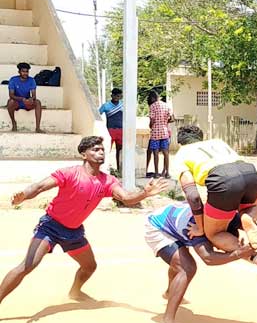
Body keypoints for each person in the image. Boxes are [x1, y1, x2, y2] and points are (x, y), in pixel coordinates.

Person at [0, 136, 168, 306]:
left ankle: (75, 292)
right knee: (27, 266)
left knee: (89, 266)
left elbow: (126, 198)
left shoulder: (108, 181)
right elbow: (39, 187)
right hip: (51, 226)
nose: (100, 152)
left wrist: (145, 193)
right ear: (84, 155)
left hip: (74, 232)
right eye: (95, 149)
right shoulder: (70, 173)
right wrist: (23, 196)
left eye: (102, 149)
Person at [145, 202, 257, 323]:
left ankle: (171, 292)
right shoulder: (197, 228)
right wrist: (239, 253)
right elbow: (208, 258)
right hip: (158, 227)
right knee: (187, 267)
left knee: (179, 261)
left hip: (174, 220)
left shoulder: (224, 218)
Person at [171, 124, 257, 284]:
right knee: (249, 210)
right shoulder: (217, 142)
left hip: (223, 180)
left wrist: (200, 227)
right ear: (200, 137)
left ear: (181, 141)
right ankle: (248, 218)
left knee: (214, 233)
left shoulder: (182, 154)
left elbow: (193, 196)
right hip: (250, 173)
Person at [6, 62, 43, 133]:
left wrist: (31, 99)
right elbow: (11, 95)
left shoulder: (32, 80)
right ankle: (14, 123)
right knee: (10, 102)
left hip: (27, 103)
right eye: (23, 71)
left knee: (38, 102)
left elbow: (34, 95)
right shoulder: (13, 80)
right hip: (17, 102)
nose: (25, 73)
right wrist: (22, 99)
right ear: (19, 72)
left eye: (27, 71)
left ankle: (38, 128)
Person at [147, 90, 173, 178]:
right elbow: (172, 118)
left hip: (155, 133)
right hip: (165, 132)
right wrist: (165, 122)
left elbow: (152, 120)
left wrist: (150, 125)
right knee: (166, 153)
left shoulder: (152, 106)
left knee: (156, 153)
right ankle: (167, 172)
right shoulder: (166, 105)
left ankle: (157, 173)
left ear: (152, 98)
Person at [98, 88, 123, 173]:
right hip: (110, 130)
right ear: (112, 95)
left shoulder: (123, 105)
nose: (116, 97)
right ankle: (104, 168)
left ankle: (119, 169)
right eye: (115, 95)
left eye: (118, 95)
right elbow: (98, 114)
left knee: (120, 150)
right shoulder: (106, 105)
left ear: (120, 96)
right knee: (107, 150)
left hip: (121, 130)